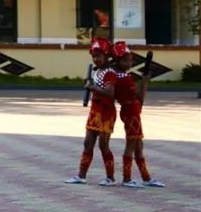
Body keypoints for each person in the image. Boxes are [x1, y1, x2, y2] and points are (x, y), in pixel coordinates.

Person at [110, 42, 164, 189]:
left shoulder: (118, 76)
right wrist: (145, 81)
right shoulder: (125, 78)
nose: (129, 63)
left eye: (130, 60)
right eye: (125, 60)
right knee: (132, 144)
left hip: (130, 112)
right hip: (132, 113)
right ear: (117, 61)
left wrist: (142, 81)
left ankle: (146, 178)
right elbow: (140, 96)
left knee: (139, 145)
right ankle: (127, 179)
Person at [65, 38, 118, 186]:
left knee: (103, 145)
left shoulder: (110, 73)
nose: (96, 59)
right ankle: (81, 175)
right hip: (95, 112)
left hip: (106, 113)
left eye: (99, 56)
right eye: (94, 56)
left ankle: (110, 177)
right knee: (88, 143)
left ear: (106, 56)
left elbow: (110, 93)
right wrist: (90, 84)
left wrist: (93, 88)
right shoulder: (99, 71)